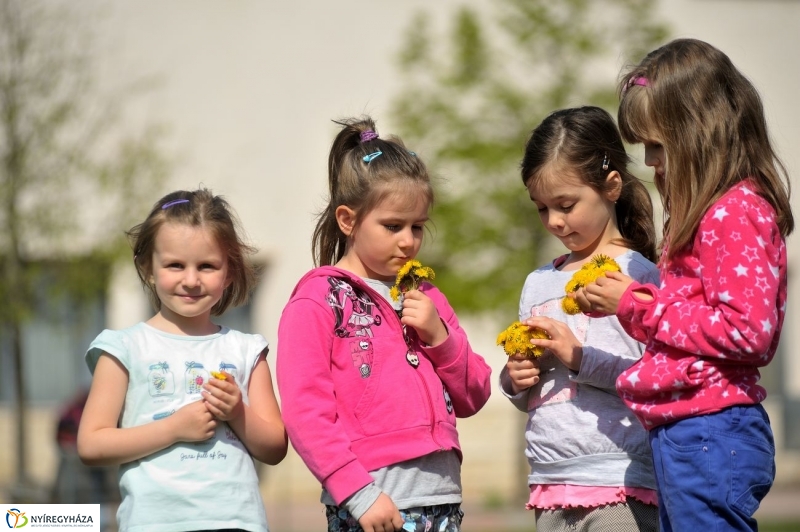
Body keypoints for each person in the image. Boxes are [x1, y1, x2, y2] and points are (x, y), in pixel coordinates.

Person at [574, 39, 794, 531]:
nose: (650, 162)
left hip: (712, 431)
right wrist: (625, 303)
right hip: (689, 429)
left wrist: (637, 306)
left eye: (657, 145)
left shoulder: (735, 212)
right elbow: (699, 314)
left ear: (699, 134)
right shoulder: (707, 215)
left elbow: (748, 333)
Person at [276, 116, 492, 532]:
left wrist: (440, 338)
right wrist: (357, 493)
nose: (408, 240)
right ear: (347, 220)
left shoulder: (426, 295)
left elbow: (475, 394)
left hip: (443, 498)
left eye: (417, 227)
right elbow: (305, 411)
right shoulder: (319, 300)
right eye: (393, 226)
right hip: (374, 503)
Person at [77, 188, 288, 532]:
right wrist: (173, 429)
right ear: (148, 267)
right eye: (175, 265)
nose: (191, 280)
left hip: (237, 523)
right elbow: (91, 444)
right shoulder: (124, 348)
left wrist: (238, 412)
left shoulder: (247, 350)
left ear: (230, 272)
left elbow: (275, 448)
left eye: (207, 266)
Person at [500, 106, 661, 531]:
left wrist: (579, 358)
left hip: (620, 479)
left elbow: (655, 377)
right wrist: (514, 378)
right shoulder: (537, 282)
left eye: (566, 204)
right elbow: (527, 395)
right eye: (541, 208)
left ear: (611, 186)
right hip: (550, 483)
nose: (553, 220)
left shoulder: (639, 275)